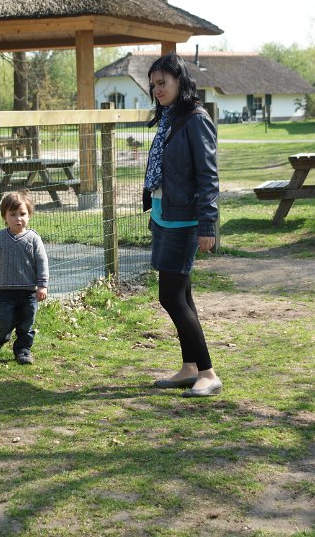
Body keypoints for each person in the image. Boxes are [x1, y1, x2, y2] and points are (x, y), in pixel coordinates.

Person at [144, 52, 222, 397]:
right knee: (183, 295)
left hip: (185, 219)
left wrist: (208, 224)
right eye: (153, 85)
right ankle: (190, 368)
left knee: (170, 296)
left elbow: (208, 176)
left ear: (180, 81)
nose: (157, 89)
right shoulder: (169, 118)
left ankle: (208, 372)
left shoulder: (195, 119)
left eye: (163, 82)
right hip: (164, 213)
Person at [0, 190, 49, 365]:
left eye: (22, 214)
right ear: (4, 216)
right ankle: (0, 338)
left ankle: (23, 350)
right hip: (7, 292)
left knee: (25, 325)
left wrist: (42, 285)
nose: (18, 218)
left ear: (29, 215)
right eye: (12, 214)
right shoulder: (0, 238)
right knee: (4, 321)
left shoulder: (33, 239)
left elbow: (42, 262)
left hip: (29, 292)